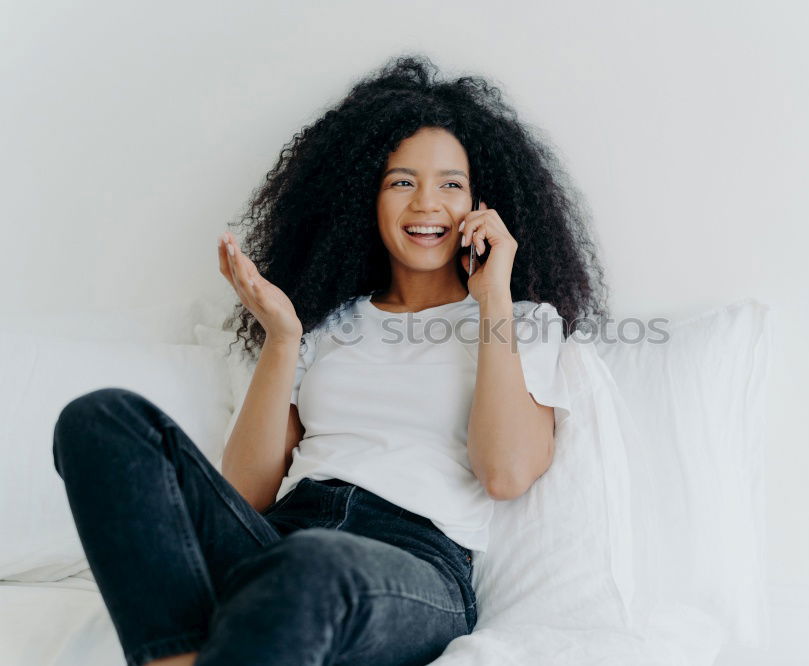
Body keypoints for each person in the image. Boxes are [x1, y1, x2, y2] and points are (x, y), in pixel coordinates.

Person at [52, 53, 609, 666]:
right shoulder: (329, 322)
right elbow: (245, 493)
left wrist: (493, 296)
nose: (427, 203)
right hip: (282, 537)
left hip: (413, 566)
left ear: (483, 204)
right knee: (101, 419)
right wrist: (284, 339)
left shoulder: (517, 320)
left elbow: (505, 473)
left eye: (451, 184)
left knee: (312, 563)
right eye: (402, 182)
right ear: (364, 199)